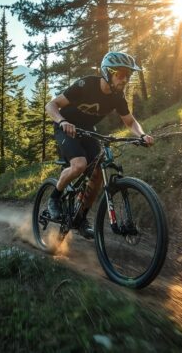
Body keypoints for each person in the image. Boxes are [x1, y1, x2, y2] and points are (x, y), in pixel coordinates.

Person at [45, 52, 154, 239]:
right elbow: (51, 105)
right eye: (121, 74)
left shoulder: (118, 97)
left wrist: (142, 135)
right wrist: (62, 122)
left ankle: (80, 219)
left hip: (87, 130)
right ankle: (54, 198)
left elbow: (129, 122)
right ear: (107, 72)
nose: (125, 79)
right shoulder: (86, 85)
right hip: (66, 127)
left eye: (128, 75)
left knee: (97, 175)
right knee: (79, 165)